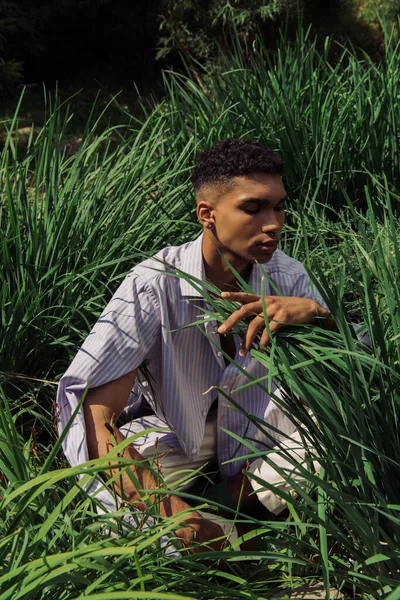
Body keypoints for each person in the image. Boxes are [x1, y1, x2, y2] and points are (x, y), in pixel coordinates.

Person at [56, 138, 330, 553]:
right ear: (208, 214)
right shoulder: (153, 284)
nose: (273, 223)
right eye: (253, 209)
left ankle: (227, 513)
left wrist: (314, 313)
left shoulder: (289, 276)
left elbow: (341, 372)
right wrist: (175, 516)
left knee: (341, 432)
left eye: (278, 206)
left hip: (259, 425)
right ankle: (222, 526)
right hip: (180, 432)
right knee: (120, 519)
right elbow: (96, 419)